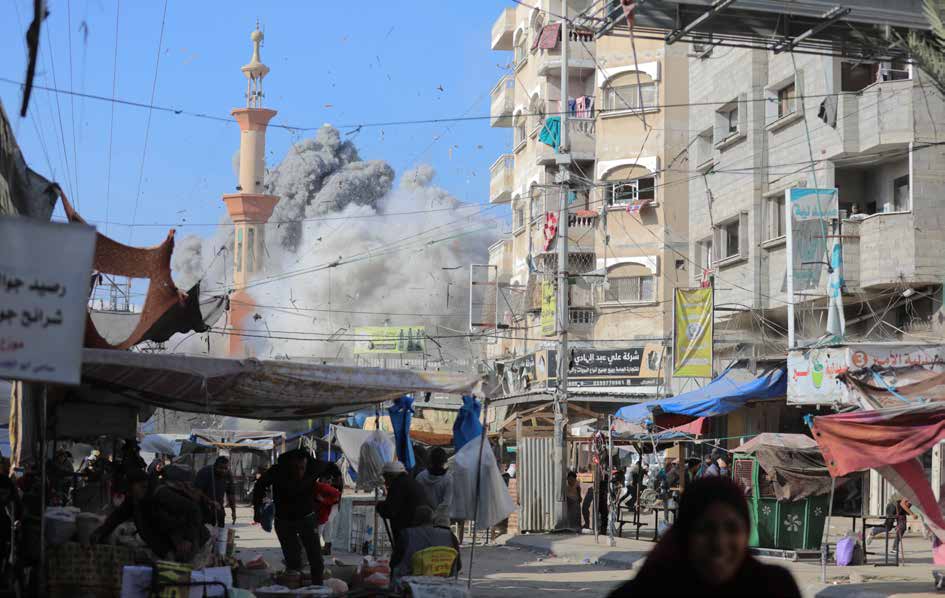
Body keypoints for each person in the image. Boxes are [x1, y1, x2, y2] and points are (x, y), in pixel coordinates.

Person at [608, 477, 801, 598]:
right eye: (706, 529)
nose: (719, 543)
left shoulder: (774, 588)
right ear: (685, 534)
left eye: (732, 528)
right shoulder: (644, 591)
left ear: (747, 532)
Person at [253, 449, 339, 586]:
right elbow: (259, 486)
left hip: (307, 517)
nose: (299, 472)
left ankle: (318, 588)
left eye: (302, 468)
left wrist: (338, 486)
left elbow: (333, 468)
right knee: (293, 559)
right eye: (295, 468)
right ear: (288, 466)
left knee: (316, 557)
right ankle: (293, 589)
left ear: (307, 465)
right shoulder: (278, 470)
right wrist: (257, 510)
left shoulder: (315, 466)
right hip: (284, 520)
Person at [91, 468, 210, 564]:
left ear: (142, 485)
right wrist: (100, 532)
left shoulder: (162, 494)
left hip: (193, 543)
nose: (128, 493)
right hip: (171, 548)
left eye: (130, 489)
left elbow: (193, 510)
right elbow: (117, 516)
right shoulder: (135, 499)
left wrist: (188, 539)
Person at [377, 461, 434, 555]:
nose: (385, 481)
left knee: (403, 559)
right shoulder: (412, 482)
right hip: (419, 530)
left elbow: (391, 511)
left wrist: (380, 507)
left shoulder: (397, 485)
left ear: (390, 475)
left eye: (385, 477)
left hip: (406, 531)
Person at [391, 505, 461, 578]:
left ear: (414, 521)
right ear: (433, 521)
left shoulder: (406, 536)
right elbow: (458, 566)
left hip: (411, 585)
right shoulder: (450, 536)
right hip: (443, 584)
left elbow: (393, 564)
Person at [415, 447, 453, 528]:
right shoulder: (448, 479)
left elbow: (417, 499)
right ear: (444, 462)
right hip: (441, 522)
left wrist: (429, 514)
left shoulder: (420, 477)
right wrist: (435, 516)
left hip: (423, 521)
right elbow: (446, 503)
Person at [194, 456, 237, 526]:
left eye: (225, 468)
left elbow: (231, 494)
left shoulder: (228, 474)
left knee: (220, 533)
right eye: (221, 468)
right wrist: (210, 501)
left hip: (219, 510)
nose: (223, 470)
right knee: (206, 534)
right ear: (215, 466)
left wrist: (233, 511)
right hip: (203, 509)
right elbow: (197, 491)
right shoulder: (205, 472)